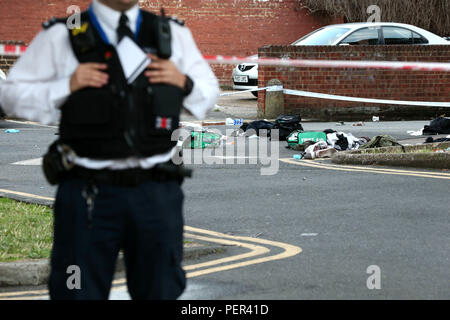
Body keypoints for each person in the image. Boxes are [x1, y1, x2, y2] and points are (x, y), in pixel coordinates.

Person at [0, 0, 219, 300]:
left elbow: (209, 94)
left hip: (156, 194)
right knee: (75, 291)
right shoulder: (63, 35)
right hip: (87, 195)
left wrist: (185, 82)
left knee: (161, 291)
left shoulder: (170, 33)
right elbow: (10, 96)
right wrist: (67, 85)